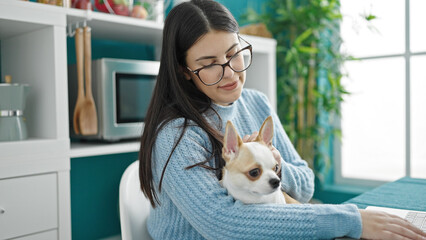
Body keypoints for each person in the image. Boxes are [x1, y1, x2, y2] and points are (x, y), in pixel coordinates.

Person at [138, 0, 426, 239]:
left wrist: (274, 162)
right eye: (210, 64)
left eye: (233, 53)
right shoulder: (176, 135)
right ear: (184, 71)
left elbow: (305, 184)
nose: (230, 72)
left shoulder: (255, 102)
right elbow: (224, 224)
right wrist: (351, 220)